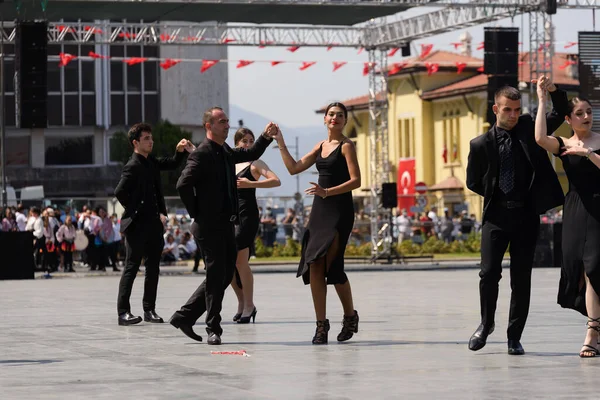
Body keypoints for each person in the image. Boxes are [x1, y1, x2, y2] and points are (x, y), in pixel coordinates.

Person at [466, 77, 569, 355]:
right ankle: (486, 325)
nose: (513, 115)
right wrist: (496, 192)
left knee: (521, 278)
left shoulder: (529, 129)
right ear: (495, 110)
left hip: (526, 216)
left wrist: (551, 91)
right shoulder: (480, 144)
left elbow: (560, 112)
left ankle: (514, 336)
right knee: (488, 274)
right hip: (496, 217)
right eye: (507, 109)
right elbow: (472, 181)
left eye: (516, 109)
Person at [169, 107, 275, 345]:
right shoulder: (202, 153)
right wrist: (197, 212)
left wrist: (266, 136)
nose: (227, 125)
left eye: (227, 121)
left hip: (227, 225)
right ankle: (212, 328)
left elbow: (252, 151)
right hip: (209, 227)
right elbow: (182, 184)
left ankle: (184, 316)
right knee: (217, 275)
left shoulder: (225, 150)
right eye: (221, 122)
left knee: (224, 275)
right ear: (209, 126)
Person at [272, 102, 361, 345]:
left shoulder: (347, 146)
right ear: (325, 119)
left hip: (338, 210)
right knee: (315, 266)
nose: (335, 118)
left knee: (333, 266)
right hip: (320, 210)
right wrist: (280, 140)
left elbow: (356, 181)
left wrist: (327, 191)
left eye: (340, 116)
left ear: (345, 121)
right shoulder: (320, 146)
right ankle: (321, 326)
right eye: (331, 114)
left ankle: (350, 316)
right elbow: (293, 168)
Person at [534, 88, 600, 357]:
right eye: (579, 113)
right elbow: (539, 138)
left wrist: (587, 154)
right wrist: (541, 99)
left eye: (589, 112)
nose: (586, 116)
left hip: (599, 208)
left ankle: (592, 333)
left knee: (593, 267)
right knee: (576, 265)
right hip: (574, 208)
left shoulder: (596, 142)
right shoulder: (563, 143)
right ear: (568, 119)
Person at [114, 122, 192, 326]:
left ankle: (149, 310)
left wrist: (179, 151)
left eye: (151, 137)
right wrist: (136, 209)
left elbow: (173, 164)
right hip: (137, 225)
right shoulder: (132, 165)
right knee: (131, 267)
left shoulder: (151, 162)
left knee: (153, 268)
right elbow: (120, 192)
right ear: (135, 142)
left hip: (154, 226)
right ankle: (123, 312)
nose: (151, 141)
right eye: (146, 138)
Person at [230, 127, 281, 324]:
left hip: (248, 215)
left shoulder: (256, 162)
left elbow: (275, 181)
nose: (249, 144)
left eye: (251, 140)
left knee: (241, 262)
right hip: (231, 216)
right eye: (245, 141)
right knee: (230, 265)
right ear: (237, 143)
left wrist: (251, 184)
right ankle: (242, 302)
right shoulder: (230, 162)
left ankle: (249, 305)